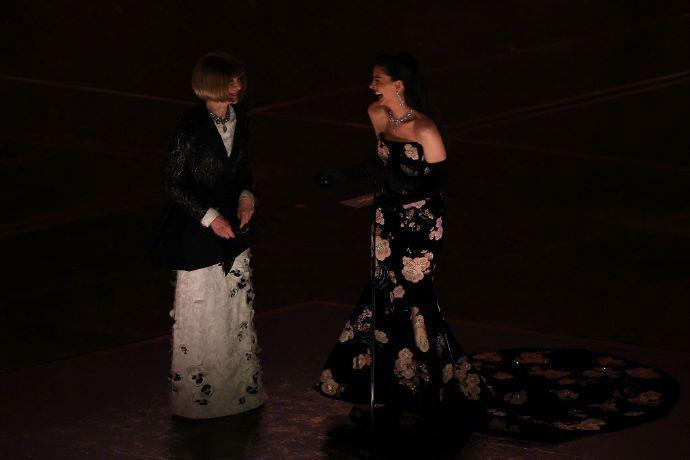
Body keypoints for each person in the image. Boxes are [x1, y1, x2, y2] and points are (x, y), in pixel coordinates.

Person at [315, 53, 677, 438]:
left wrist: (401, 198)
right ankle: (387, 388)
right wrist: (343, 176)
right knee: (384, 296)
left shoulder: (425, 128)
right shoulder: (377, 114)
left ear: (398, 85)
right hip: (386, 222)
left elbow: (437, 183)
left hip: (420, 224)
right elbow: (381, 160)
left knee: (415, 299)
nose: (372, 86)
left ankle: (429, 387)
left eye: (378, 80)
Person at [155, 51, 263, 419]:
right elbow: (174, 183)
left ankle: (238, 392)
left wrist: (247, 195)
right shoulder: (190, 126)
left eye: (239, 80)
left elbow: (243, 168)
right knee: (203, 313)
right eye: (230, 81)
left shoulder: (241, 117)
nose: (237, 86)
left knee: (234, 309)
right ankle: (201, 398)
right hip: (198, 231)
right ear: (211, 85)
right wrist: (210, 217)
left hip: (232, 229)